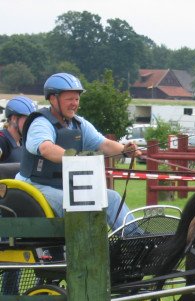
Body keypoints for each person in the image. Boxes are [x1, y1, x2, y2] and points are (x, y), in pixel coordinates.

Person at [18, 72, 140, 231]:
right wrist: (74, 158)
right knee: (79, 205)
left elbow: (103, 144)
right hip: (36, 185)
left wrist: (125, 150)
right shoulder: (40, 123)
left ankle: (136, 241)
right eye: (69, 99)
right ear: (53, 99)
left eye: (77, 99)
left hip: (65, 186)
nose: (74, 103)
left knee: (113, 198)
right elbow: (46, 148)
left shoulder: (78, 124)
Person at [0, 96, 36, 176]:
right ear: (14, 119)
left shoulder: (24, 142)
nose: (31, 124)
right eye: (28, 120)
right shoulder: (2, 140)